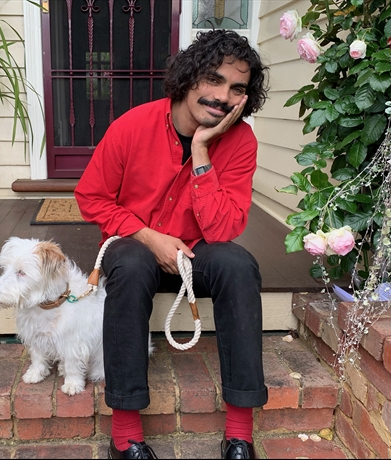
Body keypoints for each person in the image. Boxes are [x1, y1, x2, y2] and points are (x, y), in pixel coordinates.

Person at [75, 29, 269, 460]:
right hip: (135, 251)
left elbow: (223, 229)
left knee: (239, 265)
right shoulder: (133, 125)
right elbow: (91, 196)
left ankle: (240, 435)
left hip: (196, 255)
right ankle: (124, 437)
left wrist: (202, 153)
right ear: (190, 76)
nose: (222, 96)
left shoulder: (240, 142)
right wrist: (147, 235)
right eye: (214, 80)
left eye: (237, 89)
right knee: (129, 262)